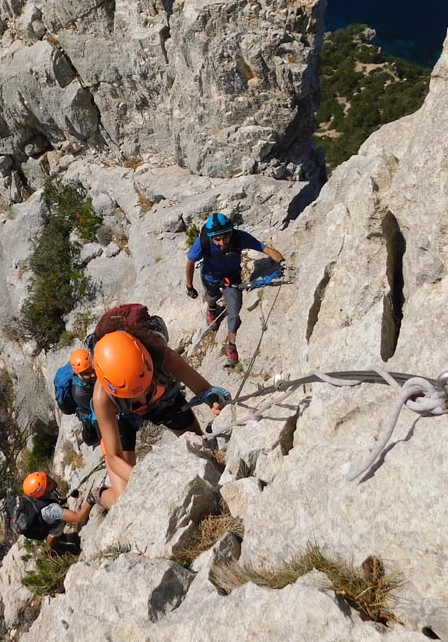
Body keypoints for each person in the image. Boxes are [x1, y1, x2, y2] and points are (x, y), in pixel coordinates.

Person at [89, 304, 230, 509]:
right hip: (123, 417)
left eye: (146, 388)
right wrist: (142, 478)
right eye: (134, 394)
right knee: (123, 497)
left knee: (203, 451)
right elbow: (113, 457)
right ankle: (98, 495)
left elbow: (205, 391)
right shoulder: (102, 398)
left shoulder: (162, 356)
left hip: (165, 402)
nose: (141, 396)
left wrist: (215, 403)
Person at [184, 212, 286, 367]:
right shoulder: (203, 242)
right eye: (217, 239)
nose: (222, 242)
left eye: (224, 237)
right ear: (211, 237)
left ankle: (231, 344)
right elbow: (191, 261)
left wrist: (282, 263)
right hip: (211, 277)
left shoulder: (239, 237)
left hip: (232, 278)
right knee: (211, 296)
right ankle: (212, 309)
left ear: (230, 233)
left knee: (234, 309)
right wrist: (189, 286)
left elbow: (264, 249)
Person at [68, 347, 141, 450]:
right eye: (87, 373)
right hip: (90, 410)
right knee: (90, 437)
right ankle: (84, 437)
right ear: (79, 374)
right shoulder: (79, 393)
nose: (93, 374)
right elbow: (98, 411)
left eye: (92, 369)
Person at [20, 470, 94, 555]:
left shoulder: (40, 495)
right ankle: (53, 546)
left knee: (62, 513)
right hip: (43, 525)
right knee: (60, 523)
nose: (52, 479)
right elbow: (78, 518)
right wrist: (91, 500)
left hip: (43, 516)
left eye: (48, 477)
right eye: (48, 481)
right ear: (44, 490)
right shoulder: (52, 510)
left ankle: (56, 541)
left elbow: (50, 501)